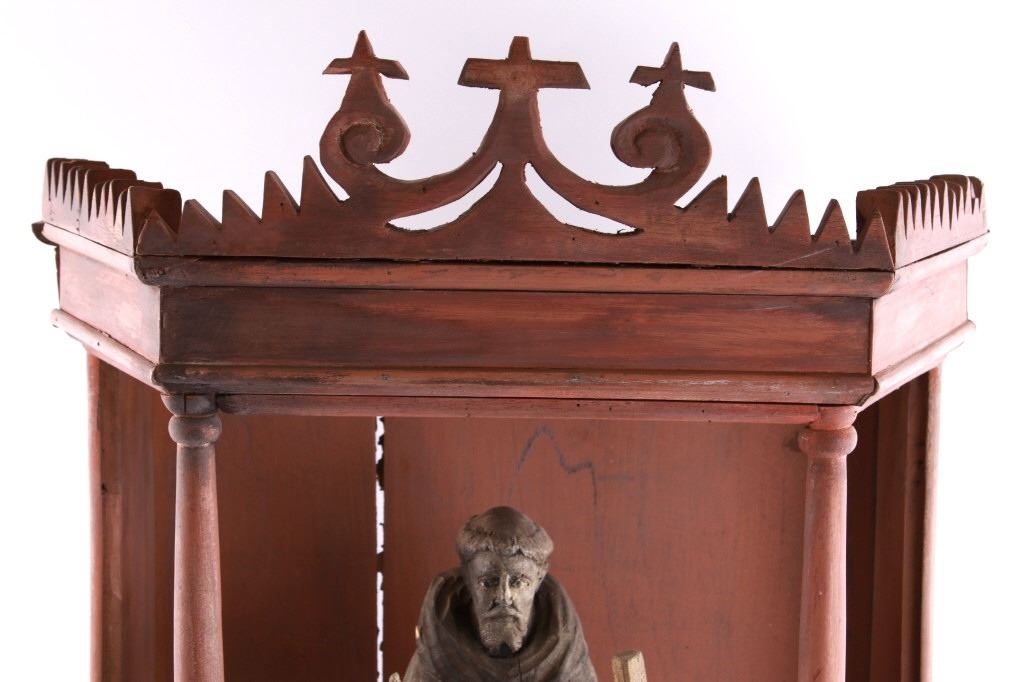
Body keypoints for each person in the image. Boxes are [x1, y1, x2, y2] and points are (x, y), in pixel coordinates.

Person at [402, 506, 598, 681]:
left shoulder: (566, 655)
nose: (504, 597)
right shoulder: (438, 650)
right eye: (488, 582)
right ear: (468, 579)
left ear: (539, 579)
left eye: (519, 582)